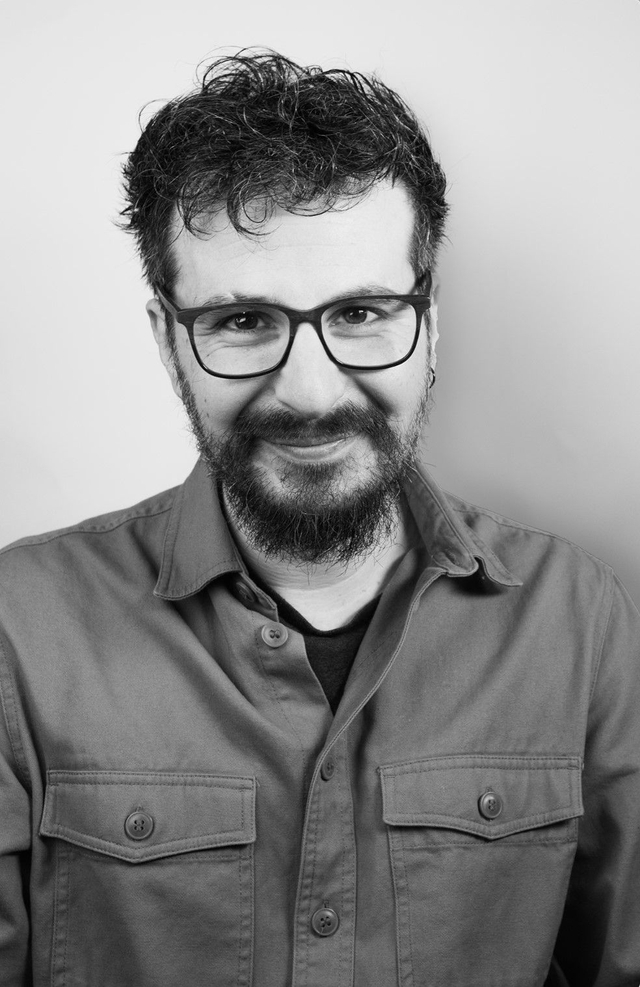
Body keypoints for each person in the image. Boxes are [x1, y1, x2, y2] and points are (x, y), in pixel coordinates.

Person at [0, 49, 638, 987]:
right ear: (169, 341)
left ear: (429, 323)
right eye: (243, 322)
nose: (309, 391)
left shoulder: (577, 619)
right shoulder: (18, 630)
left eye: (363, 312)